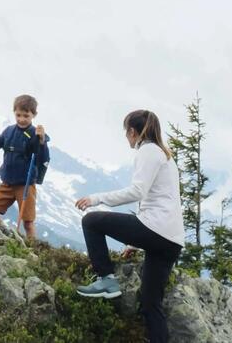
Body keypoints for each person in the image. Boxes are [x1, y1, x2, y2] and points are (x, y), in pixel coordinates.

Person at [74, 109, 185, 343]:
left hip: (155, 230)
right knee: (150, 304)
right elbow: (156, 201)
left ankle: (106, 279)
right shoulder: (165, 154)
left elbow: (138, 192)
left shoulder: (147, 151)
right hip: (171, 240)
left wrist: (96, 199)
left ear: (133, 132)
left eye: (126, 132)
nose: (126, 137)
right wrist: (133, 242)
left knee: (91, 221)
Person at [0, 94, 52, 243]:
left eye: (26, 116)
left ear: (34, 115)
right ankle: (9, 236)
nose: (22, 119)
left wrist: (42, 141)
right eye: (18, 115)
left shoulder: (35, 134)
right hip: (7, 183)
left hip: (25, 185)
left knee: (28, 223)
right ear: (14, 112)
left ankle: (32, 250)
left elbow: (42, 159)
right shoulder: (8, 131)